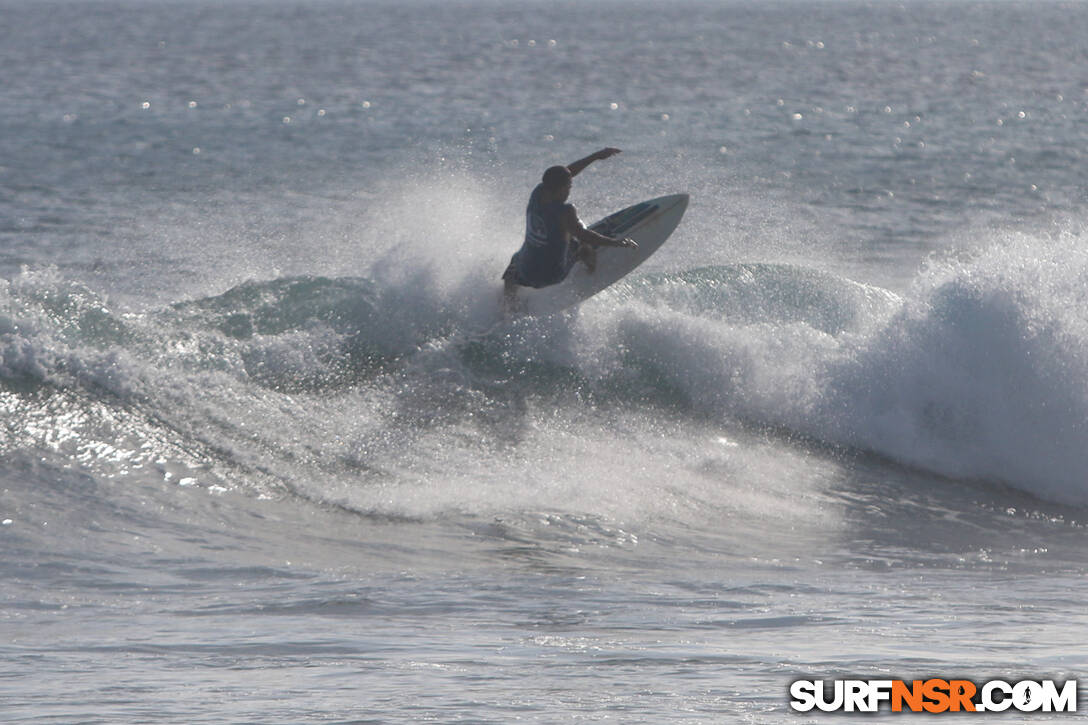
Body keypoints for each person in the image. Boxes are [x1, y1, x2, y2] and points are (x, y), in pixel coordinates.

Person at [502, 147, 638, 312]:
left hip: (526, 272)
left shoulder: (537, 194)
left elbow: (568, 172)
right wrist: (616, 243)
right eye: (568, 187)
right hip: (552, 275)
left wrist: (595, 156)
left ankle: (508, 308)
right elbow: (585, 235)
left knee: (513, 265)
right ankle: (590, 267)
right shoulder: (565, 211)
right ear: (560, 189)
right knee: (581, 243)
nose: (569, 190)